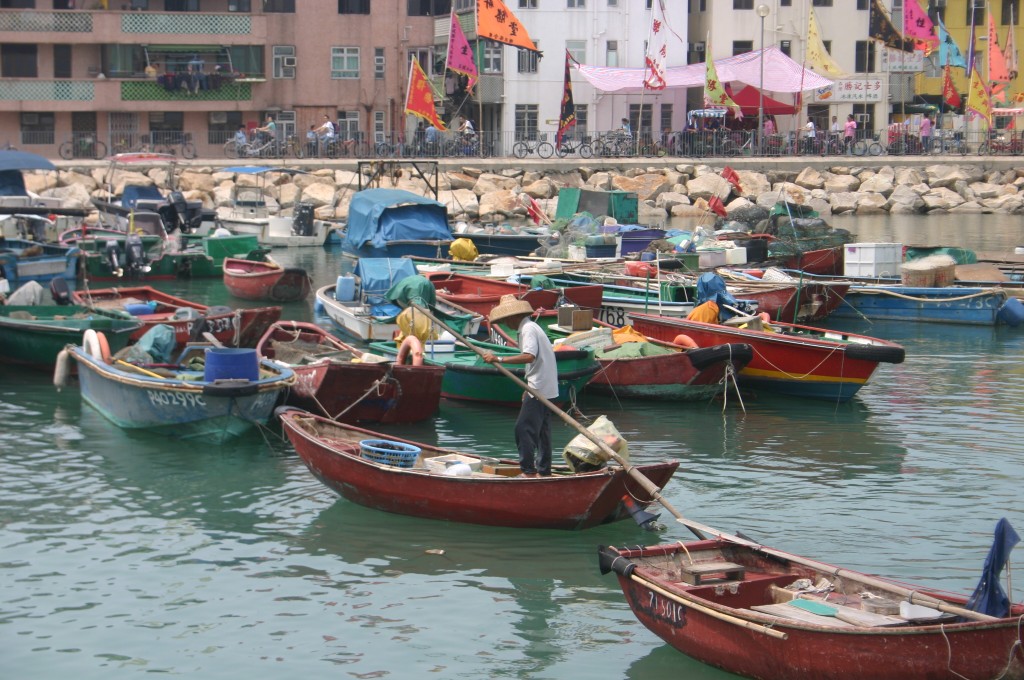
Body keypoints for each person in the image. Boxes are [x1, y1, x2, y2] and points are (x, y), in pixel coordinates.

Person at [482, 295, 558, 478]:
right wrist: (527, 385)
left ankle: (528, 471)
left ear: (514, 316)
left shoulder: (528, 329)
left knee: (523, 428)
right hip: (544, 386)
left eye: (507, 320)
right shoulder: (531, 327)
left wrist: (499, 359)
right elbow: (534, 362)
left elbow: (529, 356)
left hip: (540, 387)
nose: (507, 324)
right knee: (542, 432)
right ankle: (544, 471)